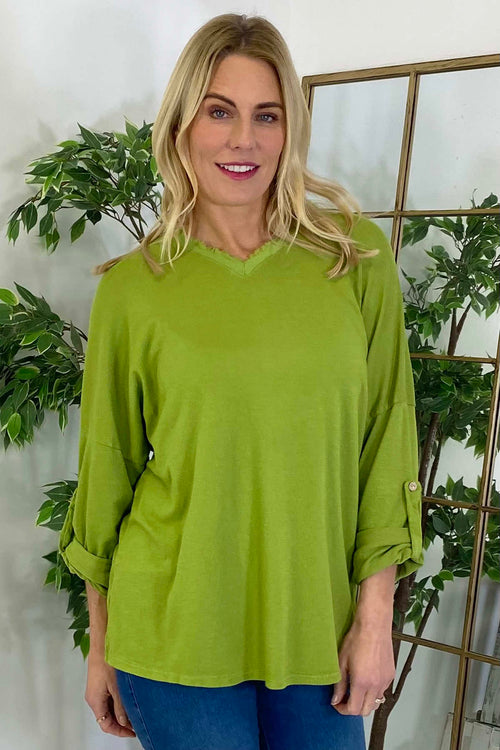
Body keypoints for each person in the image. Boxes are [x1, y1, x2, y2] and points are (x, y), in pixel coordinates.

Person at [58, 12, 424, 750]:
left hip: (317, 627)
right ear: (182, 125)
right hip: (173, 632)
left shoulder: (353, 259)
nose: (243, 140)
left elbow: (388, 434)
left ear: (290, 131)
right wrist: (100, 645)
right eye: (219, 112)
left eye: (267, 115)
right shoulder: (134, 288)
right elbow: (107, 473)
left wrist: (375, 616)